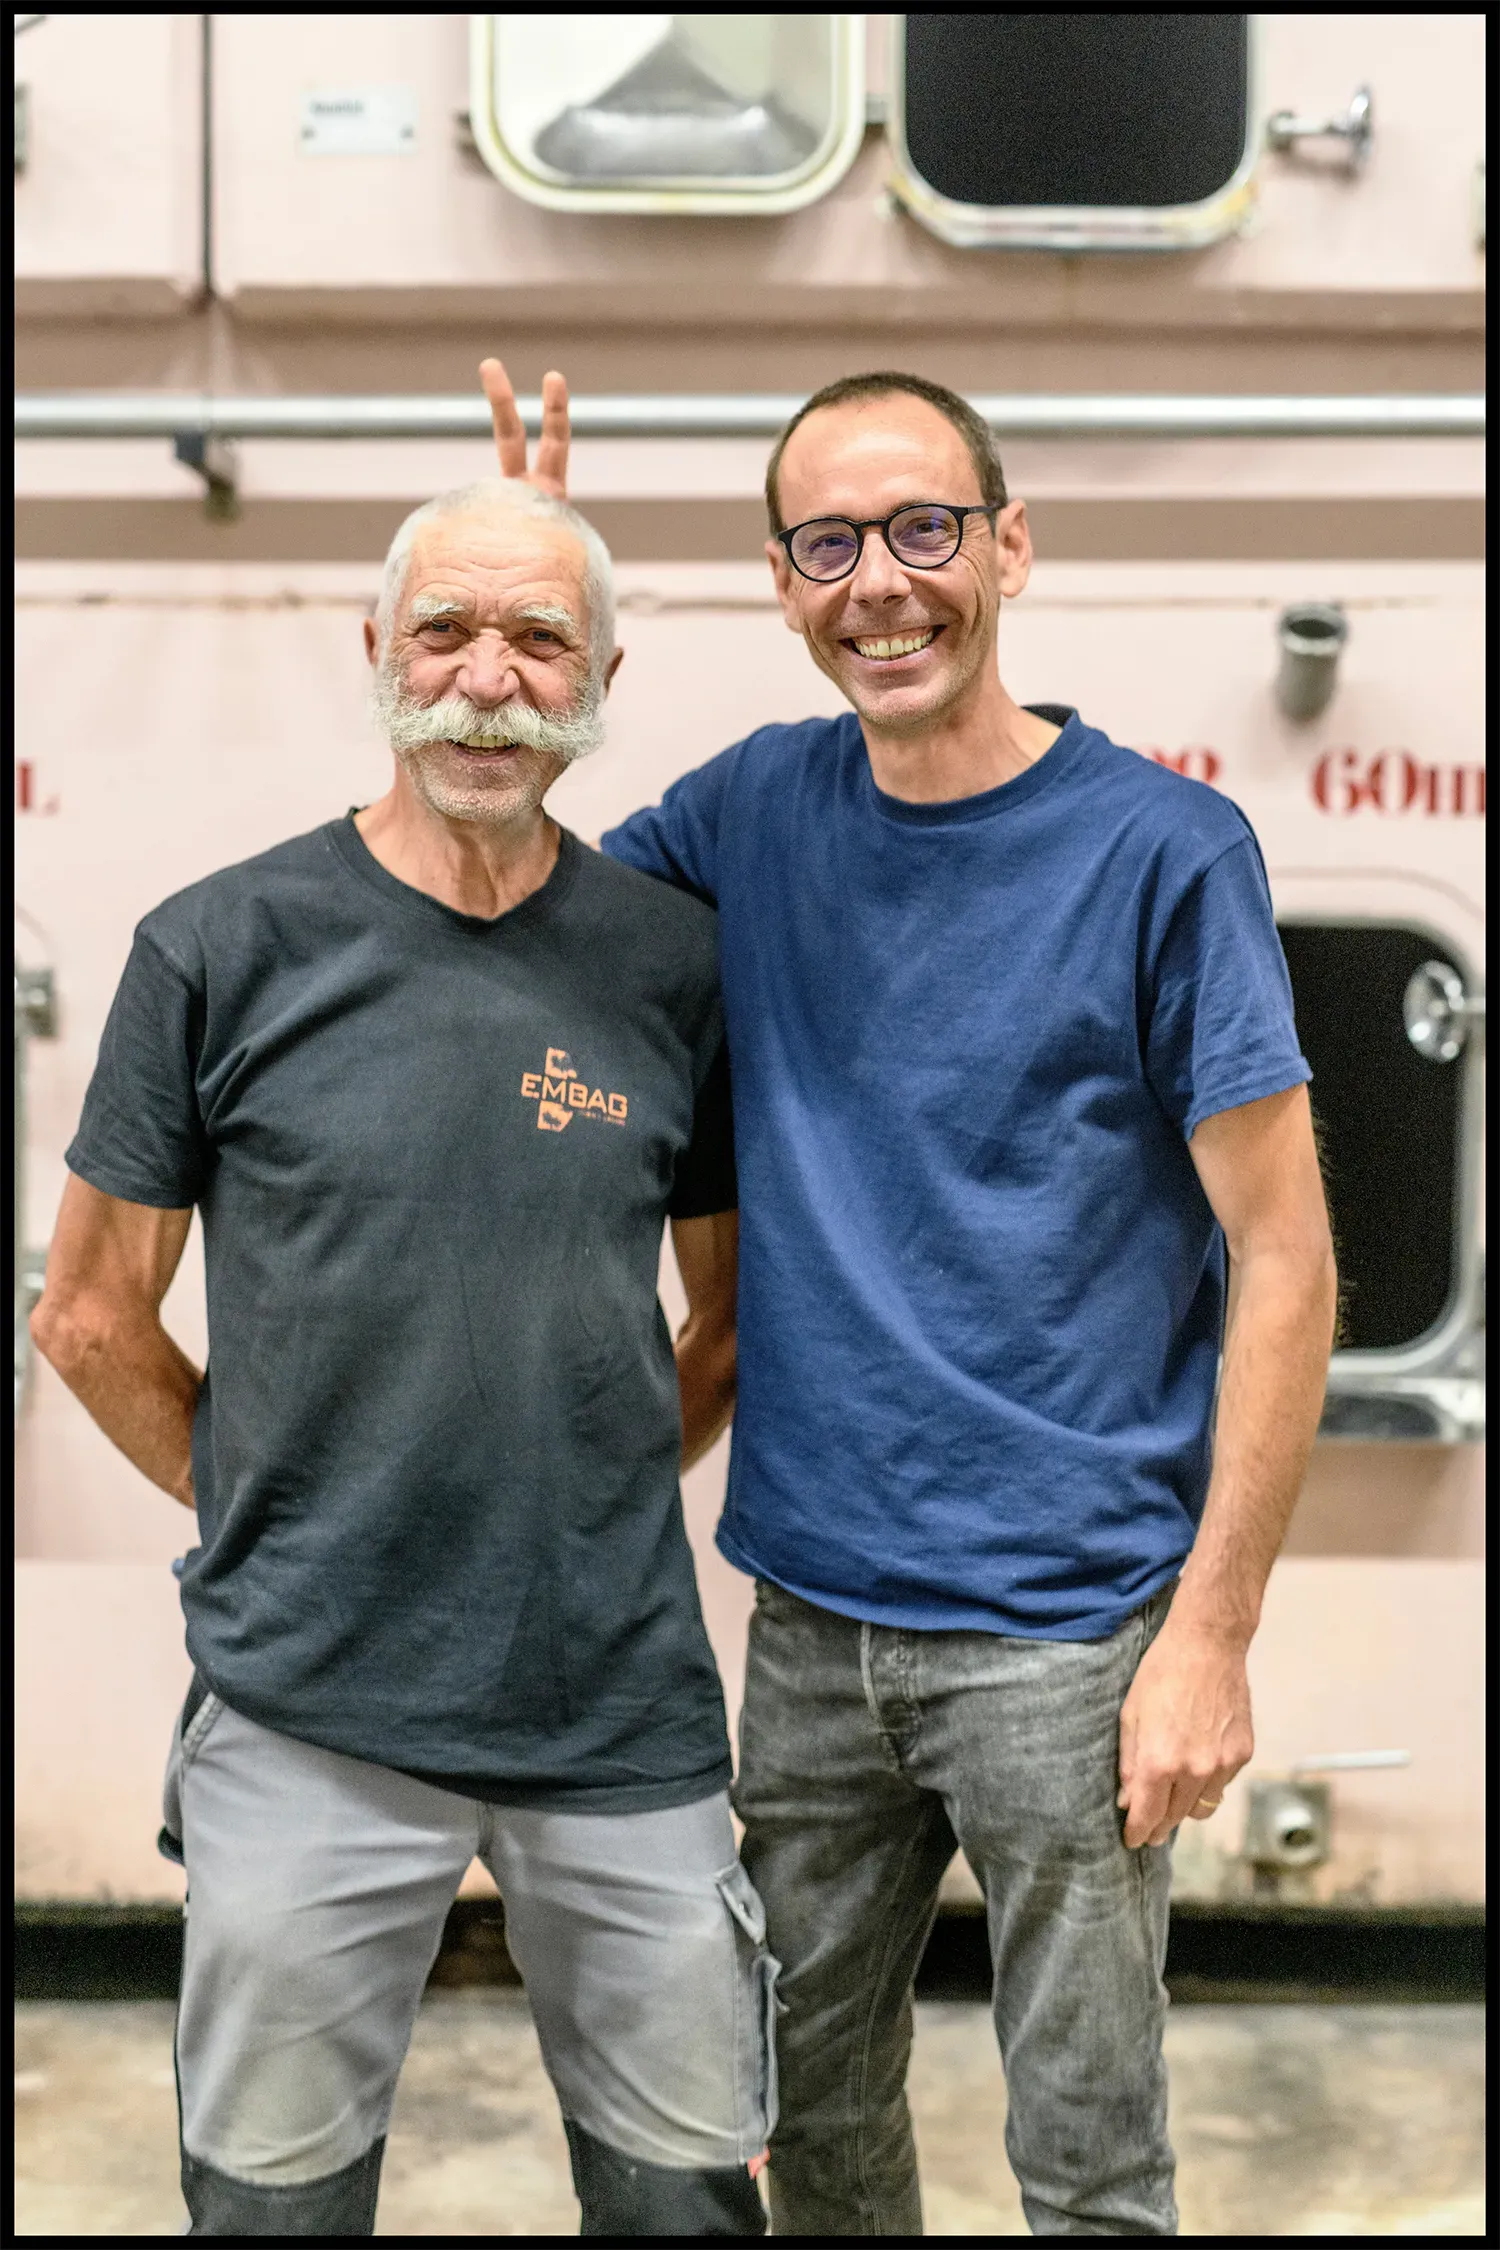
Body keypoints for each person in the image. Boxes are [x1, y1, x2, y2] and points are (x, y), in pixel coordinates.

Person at [479, 359, 1338, 2236]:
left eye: (926, 528)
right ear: (785, 582)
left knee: (1092, 2161)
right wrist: (531, 576)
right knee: (812, 2125)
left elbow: (1287, 1258)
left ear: (1010, 547)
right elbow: (520, 907)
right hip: (808, 1620)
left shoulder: (1164, 852)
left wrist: (1213, 1633)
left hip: (1070, 1633)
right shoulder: (753, 814)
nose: (882, 580)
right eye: (830, 541)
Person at [30, 468, 774, 2239]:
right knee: (273, 2210)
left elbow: (728, 1326)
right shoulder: (221, 947)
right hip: (304, 1703)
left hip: (616, 1705)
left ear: (603, 671)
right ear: (375, 651)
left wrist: (572, 1478)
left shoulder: (674, 964)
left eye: (538, 634)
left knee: (688, 2202)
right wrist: (287, 1493)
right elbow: (86, 1311)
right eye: (443, 628)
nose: (487, 675)